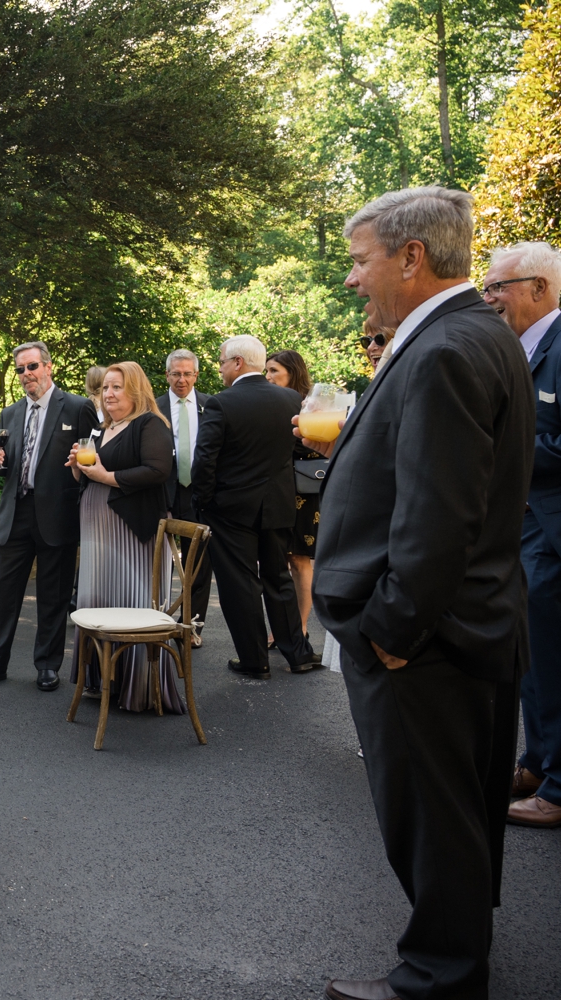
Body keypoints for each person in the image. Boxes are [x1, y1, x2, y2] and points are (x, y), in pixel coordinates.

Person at [310, 187, 532, 1000]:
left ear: (411, 257)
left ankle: (441, 974)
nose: (351, 280)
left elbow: (439, 516)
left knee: (433, 814)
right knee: (459, 808)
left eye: (360, 261)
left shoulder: (443, 349)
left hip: (427, 642)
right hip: (466, 627)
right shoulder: (476, 333)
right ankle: (462, 941)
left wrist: (393, 631)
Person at [0, 342, 95, 691]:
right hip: (16, 512)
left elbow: (91, 461)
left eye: (32, 366)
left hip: (57, 515)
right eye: (20, 370)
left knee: (54, 594)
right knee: (4, 593)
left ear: (49, 367)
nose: (26, 375)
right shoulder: (10, 414)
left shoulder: (79, 408)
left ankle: (48, 666)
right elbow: (7, 467)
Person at [482, 240, 561, 829]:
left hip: (552, 532)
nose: (489, 299)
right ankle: (535, 762)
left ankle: (556, 789)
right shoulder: (516, 350)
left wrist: (500, 444)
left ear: (540, 288)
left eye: (498, 288)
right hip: (524, 528)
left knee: (552, 657)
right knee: (531, 654)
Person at [191, 334, 315, 678]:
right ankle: (298, 654)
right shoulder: (290, 399)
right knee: (278, 578)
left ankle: (255, 660)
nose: (219, 368)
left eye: (221, 361)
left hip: (232, 509)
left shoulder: (220, 403)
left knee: (240, 585)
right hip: (277, 504)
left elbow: (205, 461)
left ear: (238, 362)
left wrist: (204, 501)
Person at [63, 362, 181, 709]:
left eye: (117, 387)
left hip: (132, 531)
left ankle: (138, 685)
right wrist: (78, 469)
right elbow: (88, 478)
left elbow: (158, 470)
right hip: (97, 531)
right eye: (105, 388)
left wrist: (106, 477)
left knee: (130, 599)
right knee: (97, 598)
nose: (109, 394)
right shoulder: (101, 430)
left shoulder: (151, 424)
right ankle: (101, 679)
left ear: (137, 391)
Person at [155, 348, 214, 641]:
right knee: (161, 562)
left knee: (199, 564)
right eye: (176, 373)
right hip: (164, 492)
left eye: (187, 373)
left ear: (196, 375)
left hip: (198, 494)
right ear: (167, 375)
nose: (181, 379)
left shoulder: (210, 405)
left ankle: (192, 626)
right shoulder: (153, 407)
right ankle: (159, 623)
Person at [265, 350, 319, 650]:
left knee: (299, 561)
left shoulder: (309, 404)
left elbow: (316, 448)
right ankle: (280, 627)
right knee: (276, 561)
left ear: (292, 372)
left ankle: (300, 627)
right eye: (267, 371)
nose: (269, 377)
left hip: (303, 491)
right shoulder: (267, 402)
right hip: (274, 490)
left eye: (274, 371)